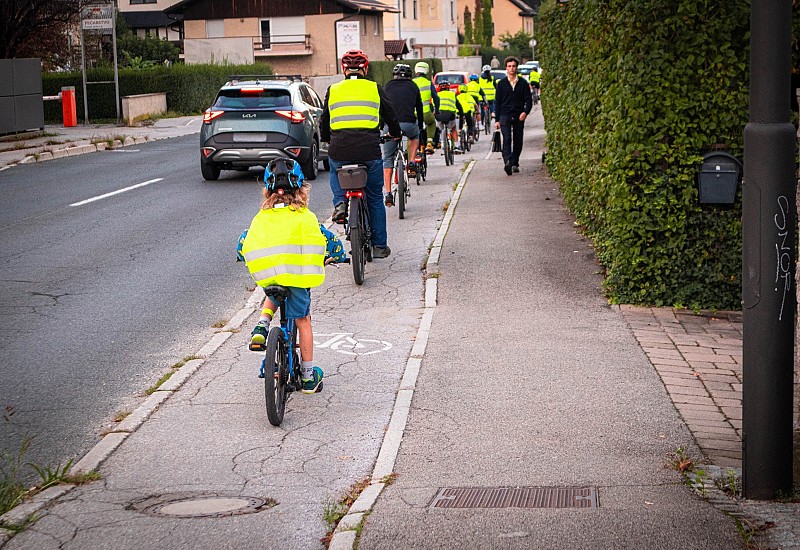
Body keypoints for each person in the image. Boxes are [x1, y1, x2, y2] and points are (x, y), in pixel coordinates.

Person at [239, 159, 346, 394]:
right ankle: (308, 377)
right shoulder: (305, 218)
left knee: (274, 287)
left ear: (267, 190)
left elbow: (245, 240)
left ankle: (262, 325)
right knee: (302, 321)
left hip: (271, 276)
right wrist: (339, 255)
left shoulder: (261, 218)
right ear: (301, 190)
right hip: (298, 278)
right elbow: (327, 240)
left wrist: (242, 254)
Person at [320, 49, 401, 259]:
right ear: (365, 68)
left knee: (335, 167)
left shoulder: (333, 89)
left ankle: (340, 202)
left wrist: (326, 137)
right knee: (374, 197)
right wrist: (395, 133)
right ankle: (380, 246)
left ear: (343, 69)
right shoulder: (375, 88)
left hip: (340, 147)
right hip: (369, 149)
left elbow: (324, 119)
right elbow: (390, 115)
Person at [382, 63, 424, 206]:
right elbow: (419, 108)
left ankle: (388, 194)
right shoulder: (413, 86)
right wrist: (420, 125)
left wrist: (383, 126)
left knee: (387, 158)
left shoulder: (387, 86)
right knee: (414, 137)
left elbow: (383, 108)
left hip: (391, 126)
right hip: (409, 124)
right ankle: (411, 161)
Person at [494, 56, 532, 176]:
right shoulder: (501, 84)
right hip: (505, 115)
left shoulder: (523, 83)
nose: (511, 68)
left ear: (517, 68)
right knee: (507, 139)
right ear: (506, 68)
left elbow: (529, 100)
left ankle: (515, 162)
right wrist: (497, 119)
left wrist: (525, 112)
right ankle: (508, 162)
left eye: (514, 66)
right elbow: (498, 102)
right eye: (509, 66)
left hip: (518, 115)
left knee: (518, 140)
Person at [412, 61, 440, 155]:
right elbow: (436, 98)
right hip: (426, 112)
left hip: (413, 113)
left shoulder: (412, 82)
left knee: (413, 129)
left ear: (416, 71)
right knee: (431, 123)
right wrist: (437, 110)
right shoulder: (428, 83)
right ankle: (429, 143)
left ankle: (411, 151)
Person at [434, 83, 463, 153]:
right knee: (453, 128)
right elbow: (458, 106)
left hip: (439, 115)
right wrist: (461, 114)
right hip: (450, 115)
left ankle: (443, 144)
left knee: (441, 129)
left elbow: (433, 106)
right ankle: (456, 146)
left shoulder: (437, 95)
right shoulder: (452, 94)